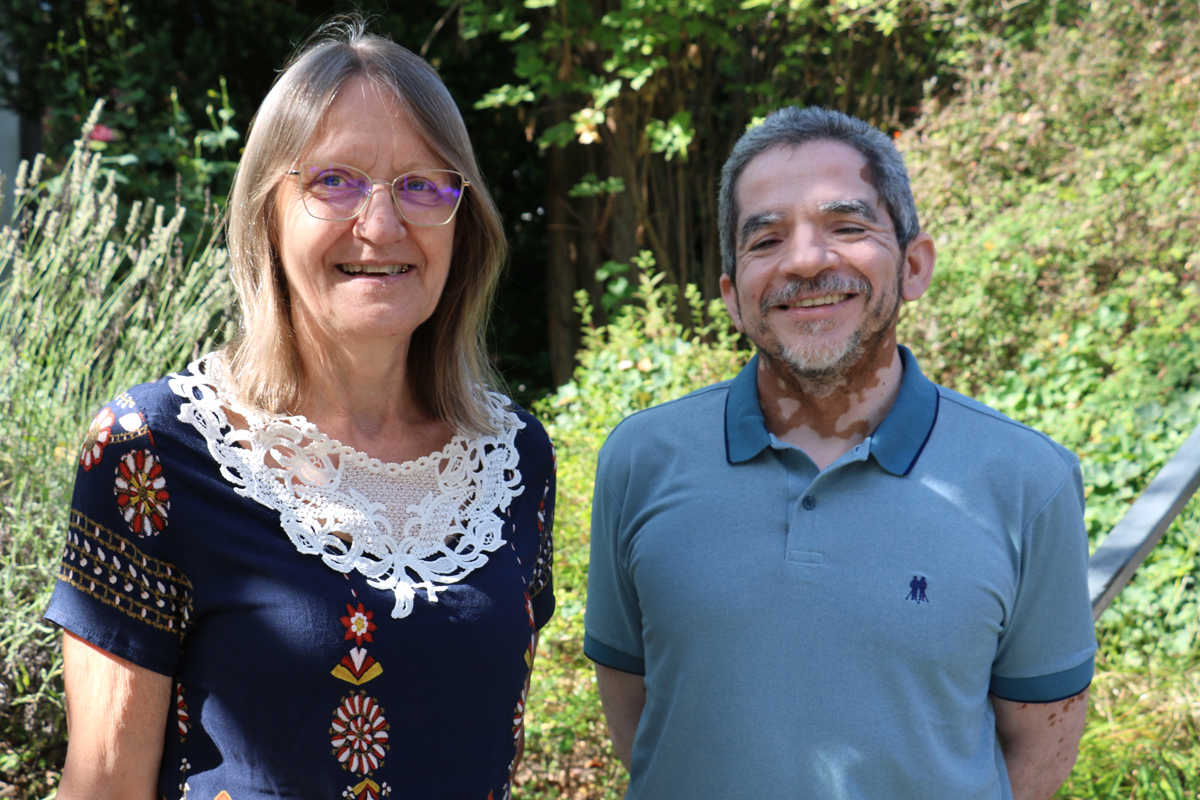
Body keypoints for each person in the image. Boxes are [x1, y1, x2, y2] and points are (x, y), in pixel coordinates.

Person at [46, 18, 555, 800]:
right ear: (266, 212)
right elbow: (104, 785)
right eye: (334, 180)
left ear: (465, 221)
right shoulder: (153, 451)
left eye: (422, 184)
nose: (382, 226)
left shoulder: (513, 458)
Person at [584, 106, 1095, 800]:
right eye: (765, 240)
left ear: (914, 265)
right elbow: (639, 716)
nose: (805, 260)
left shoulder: (1028, 481)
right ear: (734, 297)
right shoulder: (640, 460)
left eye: (848, 227)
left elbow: (1037, 752)